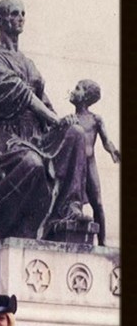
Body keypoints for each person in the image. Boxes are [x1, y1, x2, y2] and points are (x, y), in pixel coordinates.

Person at [0, 0, 90, 241]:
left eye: (22, 13)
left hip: (34, 132)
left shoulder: (28, 63)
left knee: (76, 133)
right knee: (32, 162)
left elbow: (41, 98)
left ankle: (69, 209)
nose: (20, 18)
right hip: (4, 136)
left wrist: (61, 122)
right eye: (13, 13)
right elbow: (20, 92)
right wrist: (54, 119)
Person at [69, 79, 120, 247]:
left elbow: (106, 140)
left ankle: (102, 241)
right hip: (76, 166)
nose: (73, 91)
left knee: (97, 203)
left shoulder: (95, 119)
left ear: (86, 96)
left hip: (90, 165)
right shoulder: (70, 120)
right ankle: (78, 236)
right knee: (75, 202)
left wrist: (113, 151)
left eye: (77, 88)